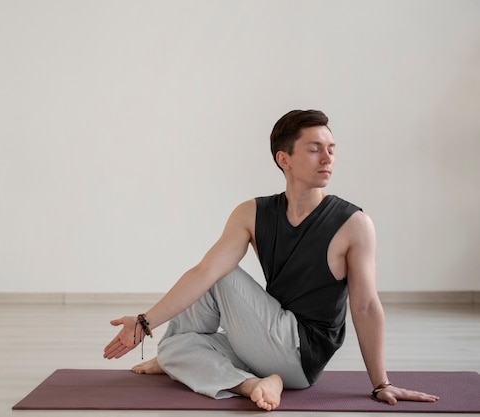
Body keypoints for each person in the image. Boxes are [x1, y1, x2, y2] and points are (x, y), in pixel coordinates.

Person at [103, 109, 439, 411]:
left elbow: (365, 307)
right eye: (314, 149)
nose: (327, 158)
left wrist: (381, 383)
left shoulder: (354, 224)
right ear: (284, 159)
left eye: (331, 149)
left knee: (220, 274)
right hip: (267, 340)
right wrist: (145, 323)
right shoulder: (252, 212)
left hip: (302, 353)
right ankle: (253, 384)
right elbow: (203, 272)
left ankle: (223, 370)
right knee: (175, 346)